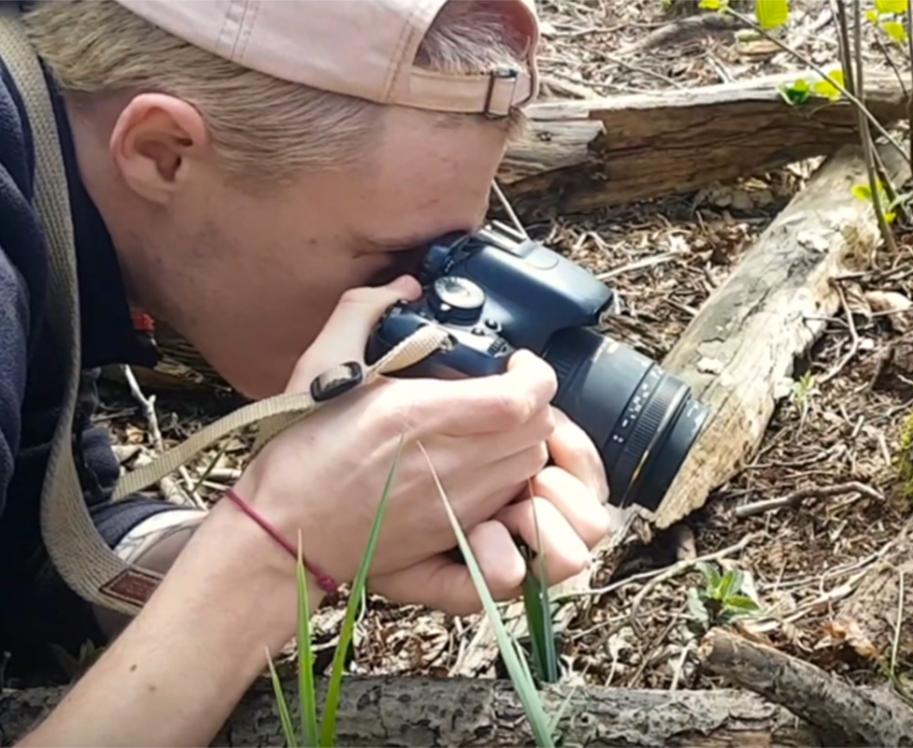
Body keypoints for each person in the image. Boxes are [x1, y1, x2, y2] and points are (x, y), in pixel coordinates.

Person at [0, 0, 612, 744]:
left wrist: (343, 528)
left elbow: (40, 535)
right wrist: (273, 547)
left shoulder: (53, 175)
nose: (408, 303)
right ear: (163, 151)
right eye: (392, 262)